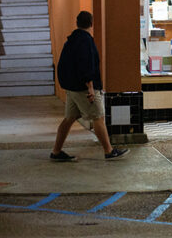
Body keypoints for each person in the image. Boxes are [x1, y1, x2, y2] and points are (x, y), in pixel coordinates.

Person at [51, 11, 129, 161]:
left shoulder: (71, 41)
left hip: (72, 88)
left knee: (69, 118)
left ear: (77, 23)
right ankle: (109, 151)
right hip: (83, 88)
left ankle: (56, 151)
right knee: (98, 117)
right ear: (91, 24)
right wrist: (90, 87)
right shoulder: (86, 41)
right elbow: (87, 66)